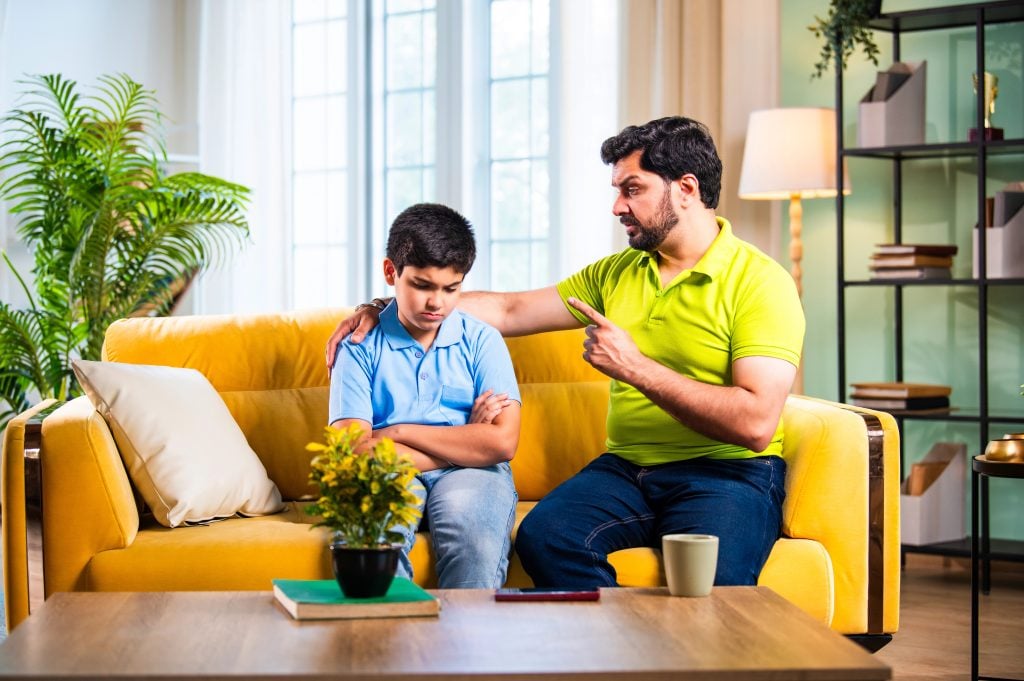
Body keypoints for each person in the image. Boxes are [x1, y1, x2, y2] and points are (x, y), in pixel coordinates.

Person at [327, 116, 804, 588]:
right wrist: (386, 306)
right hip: (629, 471)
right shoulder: (618, 272)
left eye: (632, 189)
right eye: (617, 190)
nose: (617, 206)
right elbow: (511, 310)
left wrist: (635, 368)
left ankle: (662, 659)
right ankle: (616, 655)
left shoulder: (760, 283)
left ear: (686, 187)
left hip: (728, 472)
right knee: (545, 537)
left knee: (710, 586)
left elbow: (756, 424)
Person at [329, 202, 521, 588]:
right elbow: (353, 452)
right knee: (369, 541)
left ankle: (465, 648)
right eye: (422, 286)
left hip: (470, 474)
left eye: (451, 289)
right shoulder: (359, 344)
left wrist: (397, 432)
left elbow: (501, 442)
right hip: (403, 472)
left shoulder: (482, 340)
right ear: (391, 272)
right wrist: (465, 439)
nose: (437, 303)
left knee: (475, 545)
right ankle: (388, 645)